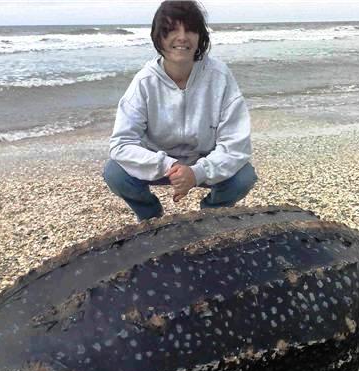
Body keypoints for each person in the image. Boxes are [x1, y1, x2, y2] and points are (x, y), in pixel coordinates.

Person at [104, 0, 257, 221]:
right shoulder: (144, 82)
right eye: (172, 29)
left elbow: (236, 146)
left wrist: (197, 172)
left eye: (190, 29)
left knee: (244, 176)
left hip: (204, 159)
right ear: (159, 37)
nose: (182, 37)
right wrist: (170, 165)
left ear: (200, 36)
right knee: (115, 173)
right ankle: (150, 215)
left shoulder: (220, 77)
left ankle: (211, 215)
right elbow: (121, 143)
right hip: (159, 162)